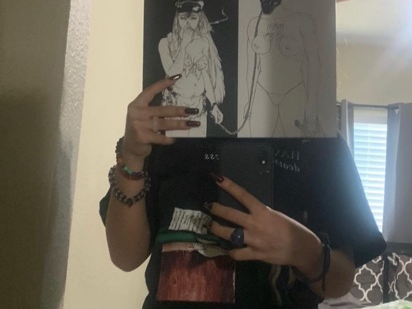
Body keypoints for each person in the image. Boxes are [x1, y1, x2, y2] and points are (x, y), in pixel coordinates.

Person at [100, 76, 387, 308]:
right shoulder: (168, 128)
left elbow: (340, 281)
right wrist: (132, 157)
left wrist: (301, 249)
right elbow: (125, 257)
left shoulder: (321, 142)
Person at [244, 0, 322, 137]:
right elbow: (251, 68)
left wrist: (312, 103)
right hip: (262, 93)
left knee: (293, 149)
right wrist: (248, 100)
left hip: (293, 92)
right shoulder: (253, 25)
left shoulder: (301, 22)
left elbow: (313, 63)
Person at [158, 0, 224, 137]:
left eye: (193, 18)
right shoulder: (165, 43)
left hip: (199, 109)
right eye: (183, 18)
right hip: (176, 110)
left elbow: (205, 76)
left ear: (199, 20)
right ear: (177, 19)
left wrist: (213, 105)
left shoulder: (203, 42)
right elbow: (172, 75)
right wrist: (184, 45)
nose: (188, 23)